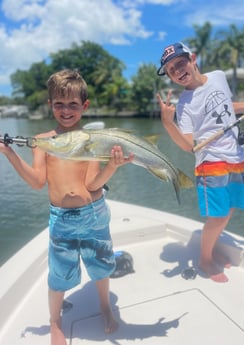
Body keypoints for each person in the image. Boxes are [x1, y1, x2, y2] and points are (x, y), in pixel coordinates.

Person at [0, 69, 134, 345]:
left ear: (84, 106)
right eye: (59, 104)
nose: (66, 110)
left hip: (93, 214)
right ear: (50, 104)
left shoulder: (90, 141)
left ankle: (106, 307)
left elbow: (93, 184)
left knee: (101, 266)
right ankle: (55, 321)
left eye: (73, 104)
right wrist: (9, 152)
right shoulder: (43, 142)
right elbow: (38, 182)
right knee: (59, 274)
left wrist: (112, 166)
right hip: (61, 219)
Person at [156, 42, 244, 283]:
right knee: (219, 215)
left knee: (230, 208)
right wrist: (169, 123)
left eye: (180, 63)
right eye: (171, 70)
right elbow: (188, 145)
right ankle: (204, 259)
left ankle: (210, 250)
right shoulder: (184, 104)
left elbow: (224, 106)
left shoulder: (218, 77)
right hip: (211, 161)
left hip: (235, 154)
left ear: (192, 59)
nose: (178, 71)